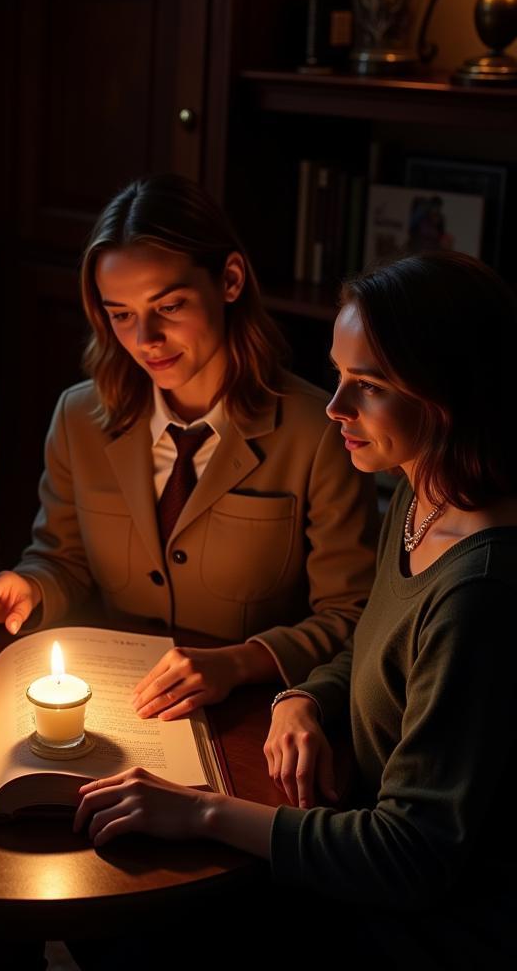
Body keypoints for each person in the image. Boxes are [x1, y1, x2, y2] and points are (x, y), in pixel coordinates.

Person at [72, 252, 517, 968]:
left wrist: (206, 812)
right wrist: (303, 697)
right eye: (339, 376)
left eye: (366, 387)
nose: (337, 407)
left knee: (132, 919)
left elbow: (414, 855)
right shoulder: (420, 491)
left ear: (448, 393)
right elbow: (374, 650)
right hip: (363, 836)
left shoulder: (482, 592)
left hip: (436, 915)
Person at [0, 173, 377, 714]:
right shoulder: (79, 417)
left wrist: (238, 661)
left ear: (229, 280)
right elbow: (62, 560)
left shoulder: (319, 431)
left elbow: (351, 614)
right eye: (122, 315)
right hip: (119, 702)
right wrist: (31, 587)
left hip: (255, 711)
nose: (145, 339)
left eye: (169, 306)